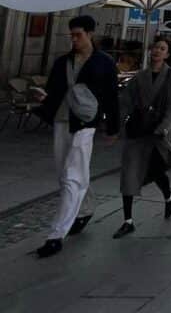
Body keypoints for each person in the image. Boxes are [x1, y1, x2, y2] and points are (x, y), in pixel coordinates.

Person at [32, 15, 120, 258]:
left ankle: (56, 234)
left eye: (78, 35)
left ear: (90, 34)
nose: (74, 39)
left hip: (85, 124)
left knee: (72, 177)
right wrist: (43, 99)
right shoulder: (62, 62)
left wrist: (112, 127)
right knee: (66, 174)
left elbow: (112, 97)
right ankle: (87, 207)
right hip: (61, 121)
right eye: (71, 35)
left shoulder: (104, 63)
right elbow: (53, 91)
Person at [113, 37, 171, 238]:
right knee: (129, 173)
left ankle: (168, 193)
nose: (157, 51)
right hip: (138, 130)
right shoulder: (140, 77)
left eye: (162, 49)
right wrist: (116, 125)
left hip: (158, 133)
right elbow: (126, 102)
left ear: (167, 54)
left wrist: (163, 127)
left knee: (156, 172)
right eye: (155, 47)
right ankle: (128, 221)